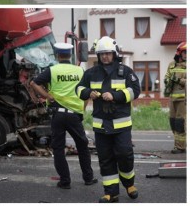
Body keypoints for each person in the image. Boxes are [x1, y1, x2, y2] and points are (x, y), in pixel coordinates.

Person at [76, 36, 141, 203]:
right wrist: (87, 93)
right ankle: (111, 193)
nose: (105, 56)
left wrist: (115, 95)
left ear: (114, 54)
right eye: (102, 54)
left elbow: (135, 90)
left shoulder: (125, 71)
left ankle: (129, 184)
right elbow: (79, 88)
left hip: (122, 123)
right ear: (98, 55)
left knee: (125, 154)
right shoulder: (91, 72)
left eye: (108, 53)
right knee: (105, 158)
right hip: (101, 124)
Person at [29, 43, 97, 189]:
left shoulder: (52, 70)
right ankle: (88, 178)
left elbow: (33, 83)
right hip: (74, 115)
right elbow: (86, 94)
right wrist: (82, 111)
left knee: (58, 148)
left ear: (57, 55)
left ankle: (65, 181)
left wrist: (47, 96)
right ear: (70, 55)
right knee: (82, 146)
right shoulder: (80, 70)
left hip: (57, 115)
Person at [165, 41, 186, 154]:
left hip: (184, 99)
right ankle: (180, 144)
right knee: (173, 122)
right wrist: (167, 81)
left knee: (180, 123)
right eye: (185, 52)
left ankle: (180, 147)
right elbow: (167, 76)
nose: (187, 54)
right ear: (179, 53)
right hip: (172, 98)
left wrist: (178, 80)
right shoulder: (171, 65)